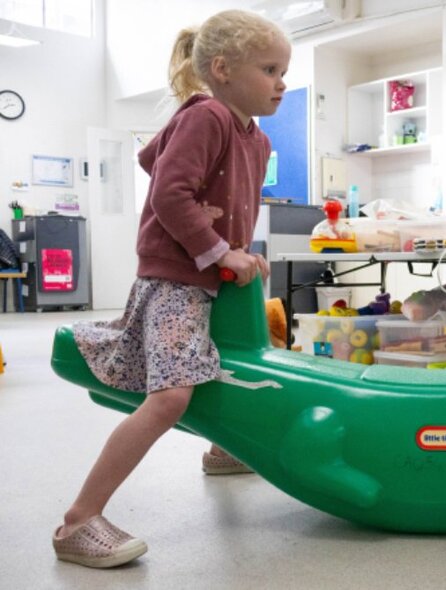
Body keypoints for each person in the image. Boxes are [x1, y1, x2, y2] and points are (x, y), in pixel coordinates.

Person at [51, 10, 291, 568]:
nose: (281, 82)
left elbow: (229, 203)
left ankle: (225, 449)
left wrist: (239, 253)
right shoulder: (205, 116)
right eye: (270, 69)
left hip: (218, 278)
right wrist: (220, 250)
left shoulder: (257, 138)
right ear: (224, 69)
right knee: (170, 398)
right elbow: (169, 196)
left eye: (284, 70)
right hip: (176, 279)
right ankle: (77, 521)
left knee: (242, 364)